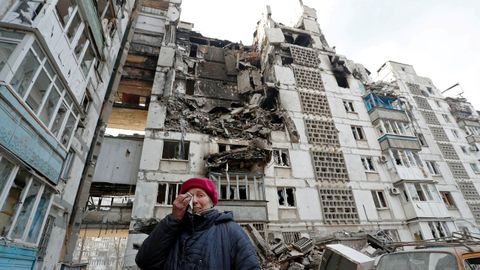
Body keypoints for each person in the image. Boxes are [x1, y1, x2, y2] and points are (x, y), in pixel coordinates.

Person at [135, 177, 260, 270]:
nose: (194, 201)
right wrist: (174, 219)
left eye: (200, 195)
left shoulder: (230, 230)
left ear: (212, 202)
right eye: (189, 196)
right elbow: (144, 261)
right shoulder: (174, 229)